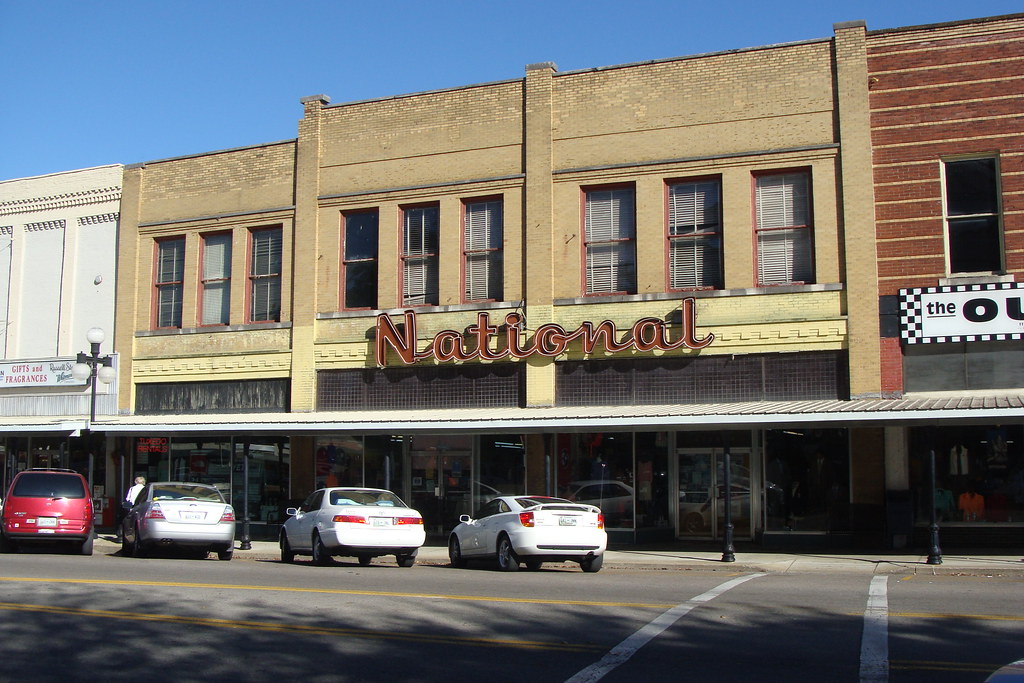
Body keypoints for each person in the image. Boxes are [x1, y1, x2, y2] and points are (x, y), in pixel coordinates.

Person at [116, 476, 146, 540]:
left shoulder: (132, 488)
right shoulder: (145, 489)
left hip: (133, 508)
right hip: (142, 507)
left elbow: (128, 499)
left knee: (132, 522)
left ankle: (132, 535)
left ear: (136, 481)